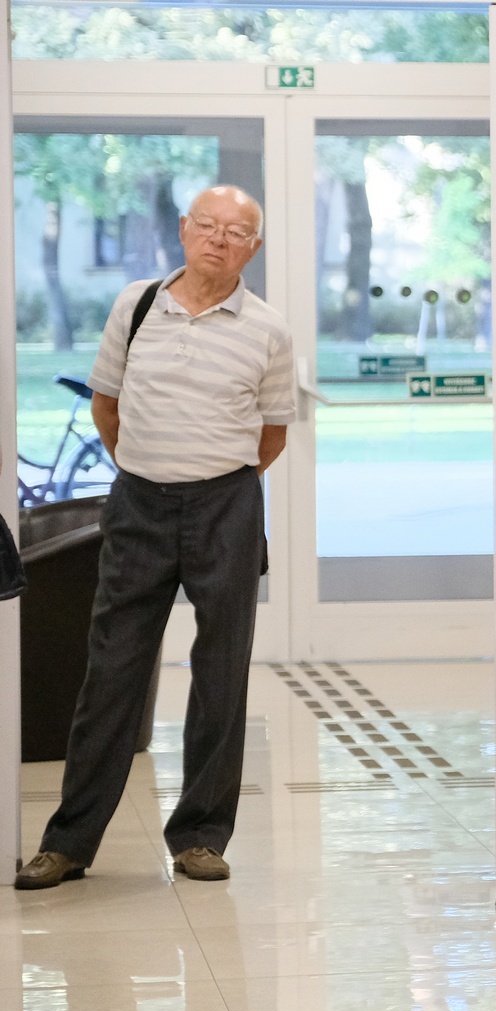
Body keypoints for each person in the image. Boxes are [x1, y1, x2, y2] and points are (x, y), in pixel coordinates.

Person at [16, 185, 291, 889]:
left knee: (221, 674)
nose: (219, 239)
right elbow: (106, 405)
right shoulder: (136, 306)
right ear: (183, 229)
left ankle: (200, 837)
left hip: (226, 506)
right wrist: (149, 470)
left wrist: (210, 478)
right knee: (111, 671)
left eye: (236, 232)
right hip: (138, 503)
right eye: (208, 225)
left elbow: (272, 435)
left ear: (254, 248)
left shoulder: (268, 329)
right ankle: (69, 842)